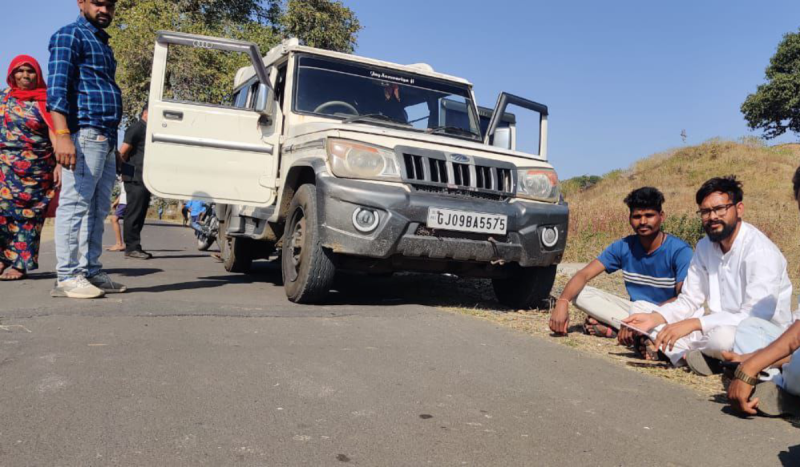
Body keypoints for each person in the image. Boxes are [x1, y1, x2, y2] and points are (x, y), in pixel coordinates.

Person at [623, 176, 794, 376]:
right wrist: (656, 317)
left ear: (739, 209)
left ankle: (692, 354)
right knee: (640, 310)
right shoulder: (705, 246)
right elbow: (690, 299)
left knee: (721, 338)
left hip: (760, 334)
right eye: (705, 211)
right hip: (714, 325)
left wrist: (695, 324)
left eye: (720, 209)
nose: (712, 217)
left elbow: (754, 317)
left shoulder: (760, 251)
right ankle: (695, 355)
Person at [549, 187, 696, 364]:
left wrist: (648, 317)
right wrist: (562, 302)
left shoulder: (679, 251)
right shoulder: (624, 246)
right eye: (637, 216)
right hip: (634, 312)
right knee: (580, 294)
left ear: (661, 217)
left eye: (649, 215)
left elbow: (684, 299)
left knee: (642, 308)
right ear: (629, 219)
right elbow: (584, 274)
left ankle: (629, 332)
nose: (643, 221)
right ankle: (635, 334)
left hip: (665, 316)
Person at [48, 0, 127, 298]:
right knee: (76, 204)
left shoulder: (101, 43)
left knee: (97, 209)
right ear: (81, 3)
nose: (104, 10)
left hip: (105, 136)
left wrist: (115, 146)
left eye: (109, 5)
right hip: (82, 133)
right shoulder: (70, 35)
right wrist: (62, 135)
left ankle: (90, 270)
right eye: (97, 3)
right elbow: (57, 89)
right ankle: (67, 275)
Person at [723, 167, 800, 417]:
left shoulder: (760, 250)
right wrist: (751, 357)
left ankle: (778, 385)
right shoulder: (705, 247)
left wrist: (751, 365)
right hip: (790, 346)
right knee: (749, 328)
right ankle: (780, 386)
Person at [0, 55, 60, 281]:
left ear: (38, 74)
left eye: (30, 71)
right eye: (20, 71)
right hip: (4, 167)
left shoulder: (46, 101)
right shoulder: (4, 98)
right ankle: (2, 258)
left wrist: (59, 166)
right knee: (2, 215)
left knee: (28, 217)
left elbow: (56, 134)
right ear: (11, 74)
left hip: (37, 170)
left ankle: (20, 264)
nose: (25, 75)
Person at [119, 105, 151, 260]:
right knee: (134, 212)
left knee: (141, 212)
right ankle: (131, 247)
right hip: (134, 176)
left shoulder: (148, 130)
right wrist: (122, 171)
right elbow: (123, 151)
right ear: (145, 113)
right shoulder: (137, 128)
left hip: (145, 177)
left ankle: (135, 246)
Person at [106, 181, 125, 252]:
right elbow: (123, 193)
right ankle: (125, 244)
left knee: (114, 219)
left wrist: (115, 202)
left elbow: (126, 193)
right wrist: (115, 203)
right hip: (123, 202)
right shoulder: (124, 178)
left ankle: (119, 244)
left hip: (125, 202)